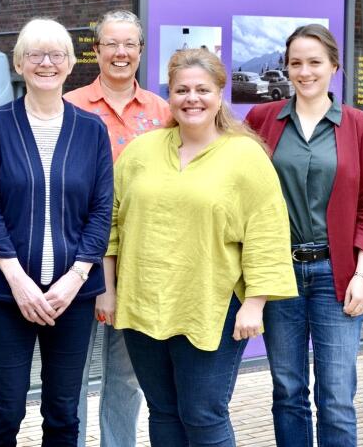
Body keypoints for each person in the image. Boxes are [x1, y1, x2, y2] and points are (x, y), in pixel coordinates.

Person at [108, 48, 297, 447]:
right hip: (144, 303)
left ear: (219, 94)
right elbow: (111, 224)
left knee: (203, 414)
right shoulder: (141, 151)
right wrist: (108, 290)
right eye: (181, 90)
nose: (191, 98)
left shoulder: (244, 154)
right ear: (170, 96)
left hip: (211, 306)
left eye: (202, 89)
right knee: (162, 411)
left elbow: (268, 231)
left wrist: (256, 302)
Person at [0, 18, 113, 447]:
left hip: (72, 296)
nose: (46, 62)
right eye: (35, 54)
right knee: (4, 410)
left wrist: (75, 279)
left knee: (63, 412)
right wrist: (19, 282)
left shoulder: (91, 130)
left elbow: (102, 209)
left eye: (56, 54)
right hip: (7, 295)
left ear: (71, 65)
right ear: (19, 63)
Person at [246, 24, 363, 447]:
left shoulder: (360, 126)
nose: (304, 72)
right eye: (295, 63)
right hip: (279, 274)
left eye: (314, 62)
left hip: (336, 274)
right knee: (288, 393)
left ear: (334, 66)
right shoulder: (261, 120)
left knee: (337, 396)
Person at [64, 9, 171, 447]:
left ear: (141, 52)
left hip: (139, 262)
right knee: (69, 376)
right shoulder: (71, 106)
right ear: (96, 51)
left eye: (130, 44)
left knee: (126, 378)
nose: (121, 53)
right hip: (74, 259)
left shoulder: (163, 111)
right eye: (112, 44)